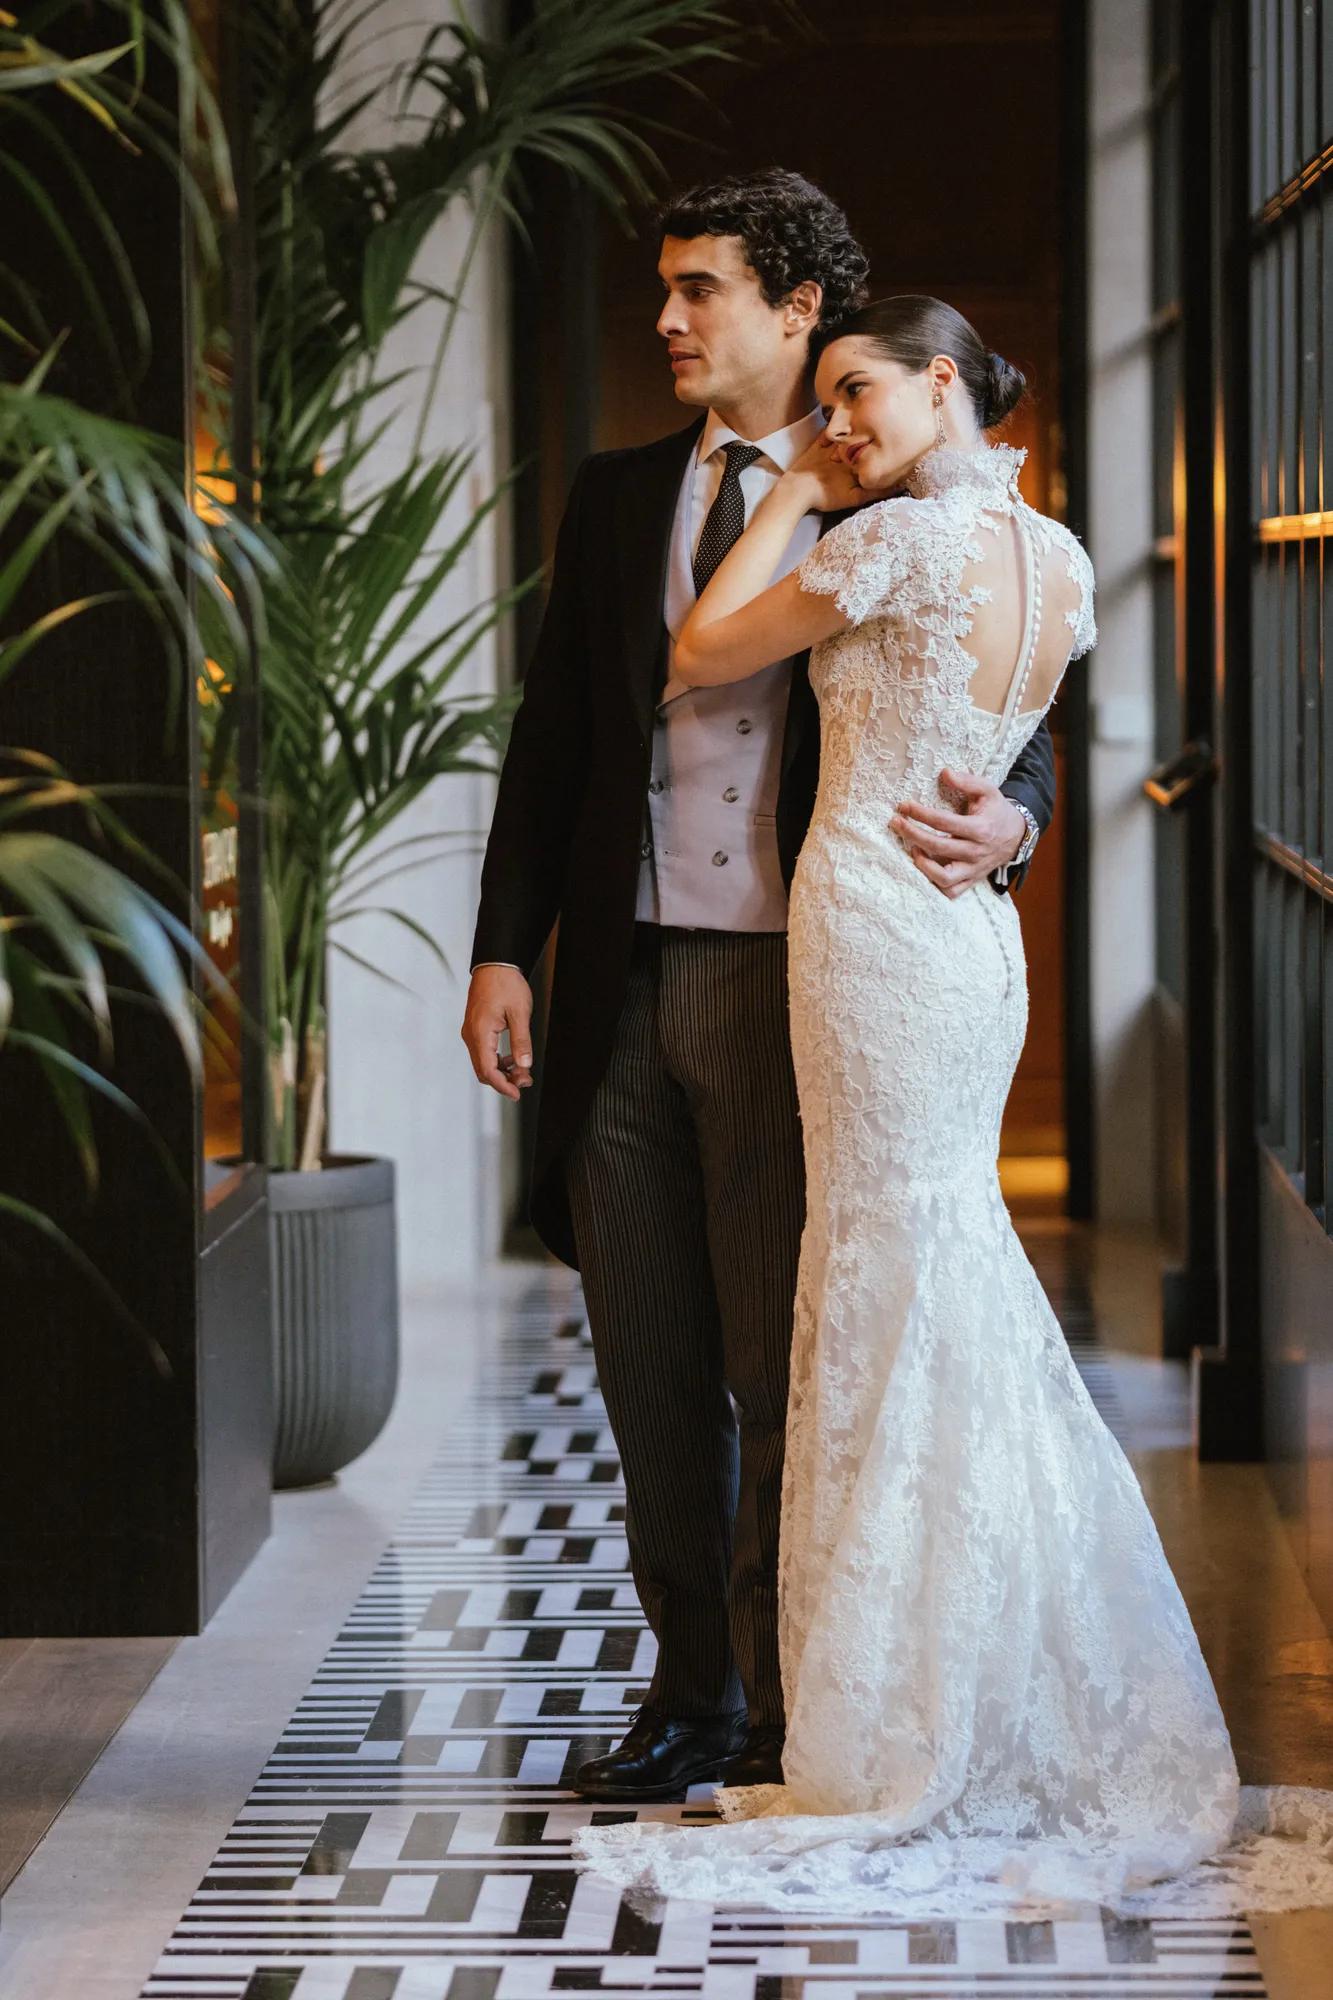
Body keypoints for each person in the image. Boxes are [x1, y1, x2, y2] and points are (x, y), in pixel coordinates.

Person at [573, 294, 1257, 1915]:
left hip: (878, 936)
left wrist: (801, 496)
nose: (837, 429)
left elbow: (699, 650)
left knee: (888, 1281)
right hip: (958, 952)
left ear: (940, 385)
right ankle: (965, 1668)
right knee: (940, 1281)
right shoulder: (1060, 558)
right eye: (821, 406)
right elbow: (1006, 733)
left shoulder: (891, 543)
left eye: (857, 396)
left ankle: (901, 1708)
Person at [462, 177, 1057, 1805]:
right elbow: (559, 737)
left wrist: (1015, 820)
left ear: (797, 311)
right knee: (646, 1359)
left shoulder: (887, 494)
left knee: (782, 1358)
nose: (665, 319)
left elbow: (1015, 695)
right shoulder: (608, 495)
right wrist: (506, 945)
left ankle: (803, 1691)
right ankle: (690, 1695)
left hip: (803, 984)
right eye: (661, 289)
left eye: (699, 289)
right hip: (619, 975)